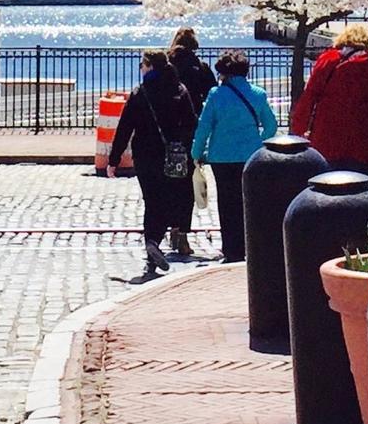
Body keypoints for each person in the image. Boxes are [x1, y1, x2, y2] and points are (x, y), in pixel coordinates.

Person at [108, 49, 197, 277]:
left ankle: (152, 243)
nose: (141, 68)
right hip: (173, 156)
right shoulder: (179, 90)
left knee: (152, 200)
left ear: (149, 66)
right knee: (167, 199)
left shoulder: (141, 93)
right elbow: (191, 123)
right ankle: (154, 241)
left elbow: (125, 127)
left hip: (146, 156)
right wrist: (184, 146)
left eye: (142, 65)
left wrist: (114, 159)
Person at [190, 50, 276, 261]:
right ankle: (249, 245)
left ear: (223, 73)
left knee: (227, 203)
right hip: (250, 156)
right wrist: (258, 142)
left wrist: (197, 152)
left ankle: (231, 249)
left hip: (221, 157)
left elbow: (204, 127)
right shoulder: (258, 94)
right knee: (248, 202)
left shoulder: (216, 95)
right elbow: (271, 126)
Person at [291, 23, 368, 174]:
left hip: (328, 139)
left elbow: (309, 96)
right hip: (366, 143)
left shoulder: (328, 61)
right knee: (361, 184)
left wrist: (298, 129)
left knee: (327, 181)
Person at [164, 29, 218, 254]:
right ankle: (183, 235)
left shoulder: (166, 67)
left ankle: (171, 228)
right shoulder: (201, 68)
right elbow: (212, 94)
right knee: (187, 184)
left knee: (168, 182)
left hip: (166, 132)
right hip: (190, 131)